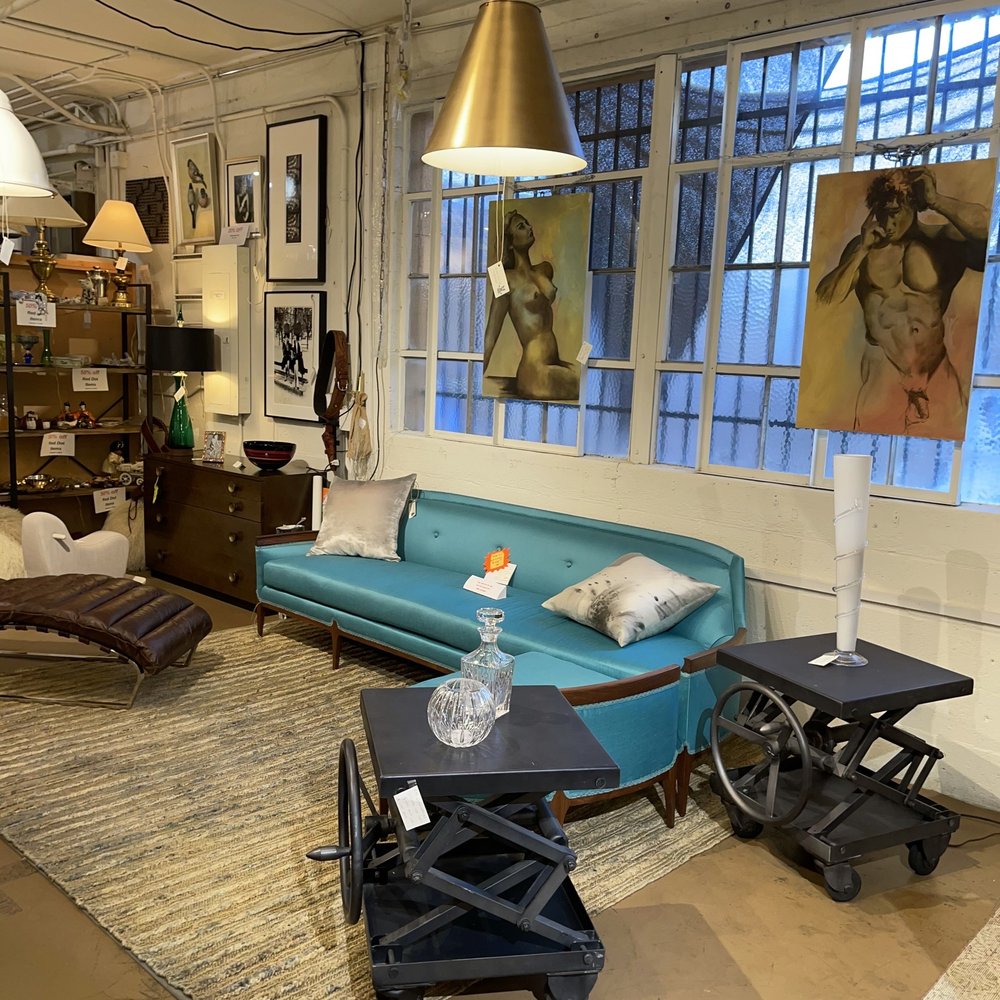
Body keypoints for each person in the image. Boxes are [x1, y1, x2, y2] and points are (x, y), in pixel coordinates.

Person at [815, 166, 988, 435]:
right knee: (867, 442)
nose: (887, 223)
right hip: (883, 372)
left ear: (913, 207)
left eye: (895, 212)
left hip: (935, 370)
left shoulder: (942, 243)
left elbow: (988, 232)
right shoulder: (864, 249)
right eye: (881, 213)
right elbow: (825, 299)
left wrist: (937, 201)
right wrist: (861, 250)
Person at [483, 209, 579, 401]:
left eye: (527, 223)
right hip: (534, 371)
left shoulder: (544, 269)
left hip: (553, 362)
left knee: (586, 380)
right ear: (510, 243)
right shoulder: (506, 280)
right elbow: (491, 336)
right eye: (521, 226)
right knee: (583, 386)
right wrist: (476, 376)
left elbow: (542, 285)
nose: (529, 227)